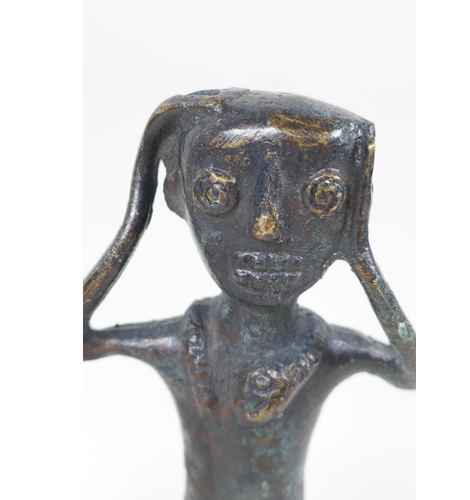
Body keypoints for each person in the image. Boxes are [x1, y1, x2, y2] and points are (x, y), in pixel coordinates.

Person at [84, 89, 415, 500]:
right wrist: (135, 220)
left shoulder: (323, 348)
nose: (267, 226)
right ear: (176, 192)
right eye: (218, 193)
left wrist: (360, 254)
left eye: (320, 197)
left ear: (350, 214)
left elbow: (411, 372)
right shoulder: (189, 344)